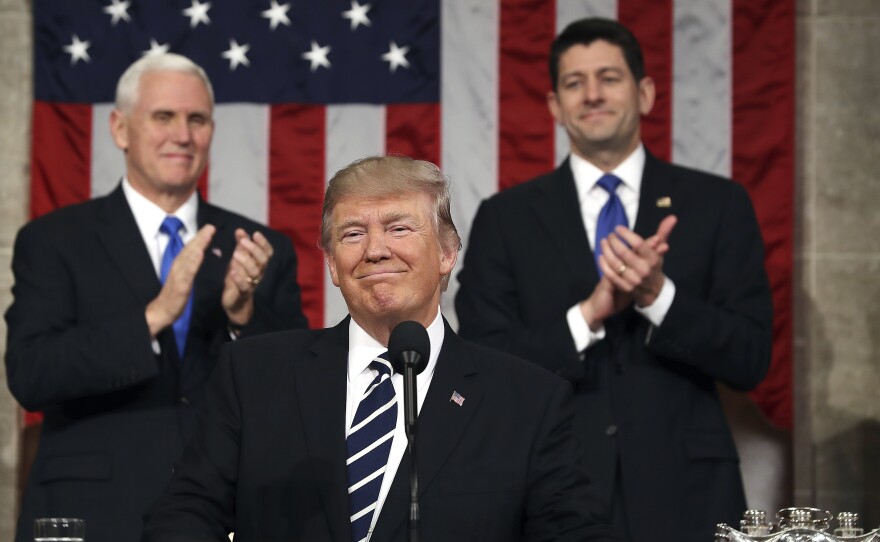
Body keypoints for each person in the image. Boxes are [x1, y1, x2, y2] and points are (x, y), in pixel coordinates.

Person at [141, 155, 621, 542]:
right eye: (352, 234)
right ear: (331, 264)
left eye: (399, 228)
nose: (375, 250)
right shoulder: (253, 373)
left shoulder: (526, 400)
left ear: (447, 252)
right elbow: (184, 515)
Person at [455, 17, 774, 542]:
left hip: (688, 498)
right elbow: (484, 363)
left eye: (609, 77)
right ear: (555, 106)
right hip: (553, 491)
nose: (593, 95)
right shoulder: (504, 218)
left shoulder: (718, 204)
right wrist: (587, 316)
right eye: (574, 83)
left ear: (645, 93)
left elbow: (751, 358)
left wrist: (658, 297)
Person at [4, 53, 308, 542]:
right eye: (163, 117)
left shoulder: (256, 247)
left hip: (220, 516)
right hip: (93, 513)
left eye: (197, 119)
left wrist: (242, 316)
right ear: (120, 129)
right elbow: (32, 374)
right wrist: (152, 317)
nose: (183, 135)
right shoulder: (54, 240)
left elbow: (298, 391)